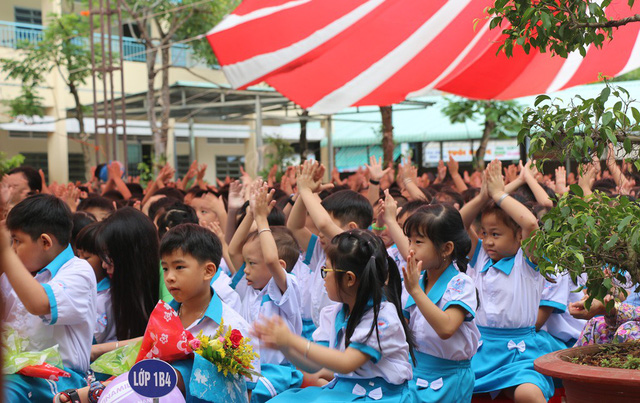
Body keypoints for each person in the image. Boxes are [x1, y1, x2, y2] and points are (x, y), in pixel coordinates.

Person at [254, 229, 415, 402]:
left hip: (379, 395)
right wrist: (284, 346)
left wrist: (291, 340)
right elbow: (313, 365)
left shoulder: (382, 318)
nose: (323, 277)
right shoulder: (336, 312)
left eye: (326, 270)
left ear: (349, 279)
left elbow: (346, 363)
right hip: (345, 388)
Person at [460, 160, 553, 402]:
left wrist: (500, 194)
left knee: (529, 393)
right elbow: (458, 224)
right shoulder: (479, 255)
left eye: (496, 234)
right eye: (486, 233)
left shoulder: (528, 259)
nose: (488, 241)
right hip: (480, 351)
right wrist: (483, 197)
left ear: (519, 236)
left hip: (519, 354)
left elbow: (531, 222)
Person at [0, 194, 97, 401]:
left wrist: (5, 253)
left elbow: (39, 303)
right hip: (17, 375)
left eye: (17, 241)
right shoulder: (17, 270)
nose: (13, 249)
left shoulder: (78, 271)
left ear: (45, 242)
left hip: (63, 379)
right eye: (11, 241)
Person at [161, 224, 259, 401]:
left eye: (179, 267)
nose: (169, 277)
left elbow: (246, 392)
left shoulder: (232, 327)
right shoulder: (164, 316)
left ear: (208, 271)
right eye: (165, 268)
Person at [229, 182, 304, 402]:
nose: (246, 270)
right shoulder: (250, 286)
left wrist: (262, 219)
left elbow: (271, 259)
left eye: (251, 263)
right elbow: (233, 249)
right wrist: (251, 214)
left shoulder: (284, 288)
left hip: (277, 372)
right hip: (247, 369)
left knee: (242, 397)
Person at [402, 204, 480, 402]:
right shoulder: (416, 282)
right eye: (409, 240)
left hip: (450, 379)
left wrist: (416, 292)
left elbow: (446, 328)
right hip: (415, 371)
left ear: (446, 248)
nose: (410, 249)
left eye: (419, 242)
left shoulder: (461, 282)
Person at [287, 160, 373, 338]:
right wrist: (304, 195)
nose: (319, 232)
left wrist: (304, 190)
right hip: (323, 332)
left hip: (349, 333)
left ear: (351, 228)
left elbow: (324, 224)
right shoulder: (323, 251)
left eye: (324, 228)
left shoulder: (361, 253)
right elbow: (294, 226)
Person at [90, 207, 160, 360]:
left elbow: (162, 338)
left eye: (109, 256)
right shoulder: (112, 292)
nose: (104, 265)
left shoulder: (166, 283)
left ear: (131, 255)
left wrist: (96, 350)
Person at [75, 222, 115, 345]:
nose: (79, 262)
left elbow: (94, 335)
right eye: (78, 255)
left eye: (86, 257)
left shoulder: (105, 295)